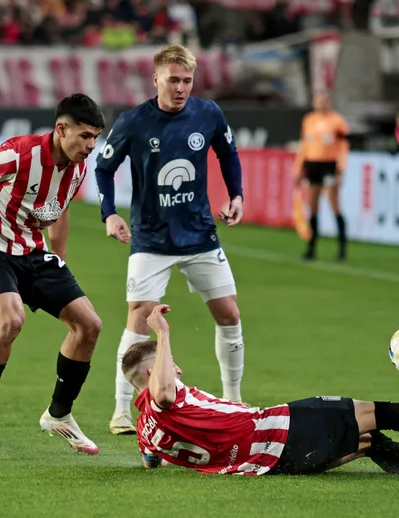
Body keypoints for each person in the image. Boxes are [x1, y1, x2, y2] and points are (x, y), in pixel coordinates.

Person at [123, 305, 399, 478]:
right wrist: (163, 333)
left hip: (270, 462)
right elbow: (164, 396)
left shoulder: (145, 430)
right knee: (383, 411)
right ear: (150, 371)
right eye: (168, 363)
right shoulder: (163, 396)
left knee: (367, 440)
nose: (177, 368)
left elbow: (150, 458)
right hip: (276, 430)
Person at [94, 44, 245, 435]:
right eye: (173, 79)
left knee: (229, 313)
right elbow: (104, 167)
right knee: (139, 319)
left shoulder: (208, 113)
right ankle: (121, 411)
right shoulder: (133, 122)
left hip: (199, 235)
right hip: (151, 237)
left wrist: (236, 195)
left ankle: (233, 399)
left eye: (187, 80)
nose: (181, 88)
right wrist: (109, 213)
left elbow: (228, 154)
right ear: (156, 78)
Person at [0, 93, 106, 461]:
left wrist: (60, 258)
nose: (90, 146)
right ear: (60, 129)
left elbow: (59, 211)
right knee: (11, 319)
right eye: (84, 136)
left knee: (89, 325)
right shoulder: (18, 154)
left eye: (95, 138)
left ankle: (59, 415)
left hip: (33, 253)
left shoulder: (76, 166)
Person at [292, 92, 350, 262]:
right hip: (312, 165)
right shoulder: (309, 120)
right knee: (313, 205)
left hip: (329, 165)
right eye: (319, 100)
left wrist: (340, 168)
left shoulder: (337, 121)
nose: (322, 103)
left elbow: (343, 146)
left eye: (324, 100)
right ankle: (311, 248)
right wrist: (298, 168)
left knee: (334, 205)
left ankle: (342, 249)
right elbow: (304, 146)